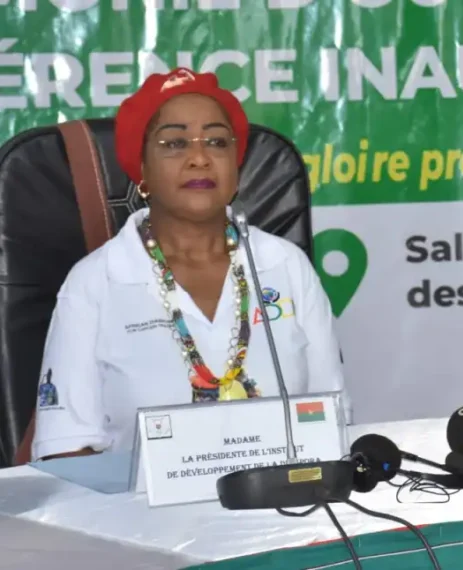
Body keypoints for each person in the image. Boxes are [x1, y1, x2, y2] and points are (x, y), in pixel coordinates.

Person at [31, 68, 349, 461]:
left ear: (236, 167)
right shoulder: (95, 282)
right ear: (142, 171)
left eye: (216, 142)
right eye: (175, 143)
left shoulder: (285, 266)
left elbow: (333, 424)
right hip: (136, 503)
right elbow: (66, 450)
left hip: (284, 497)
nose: (199, 158)